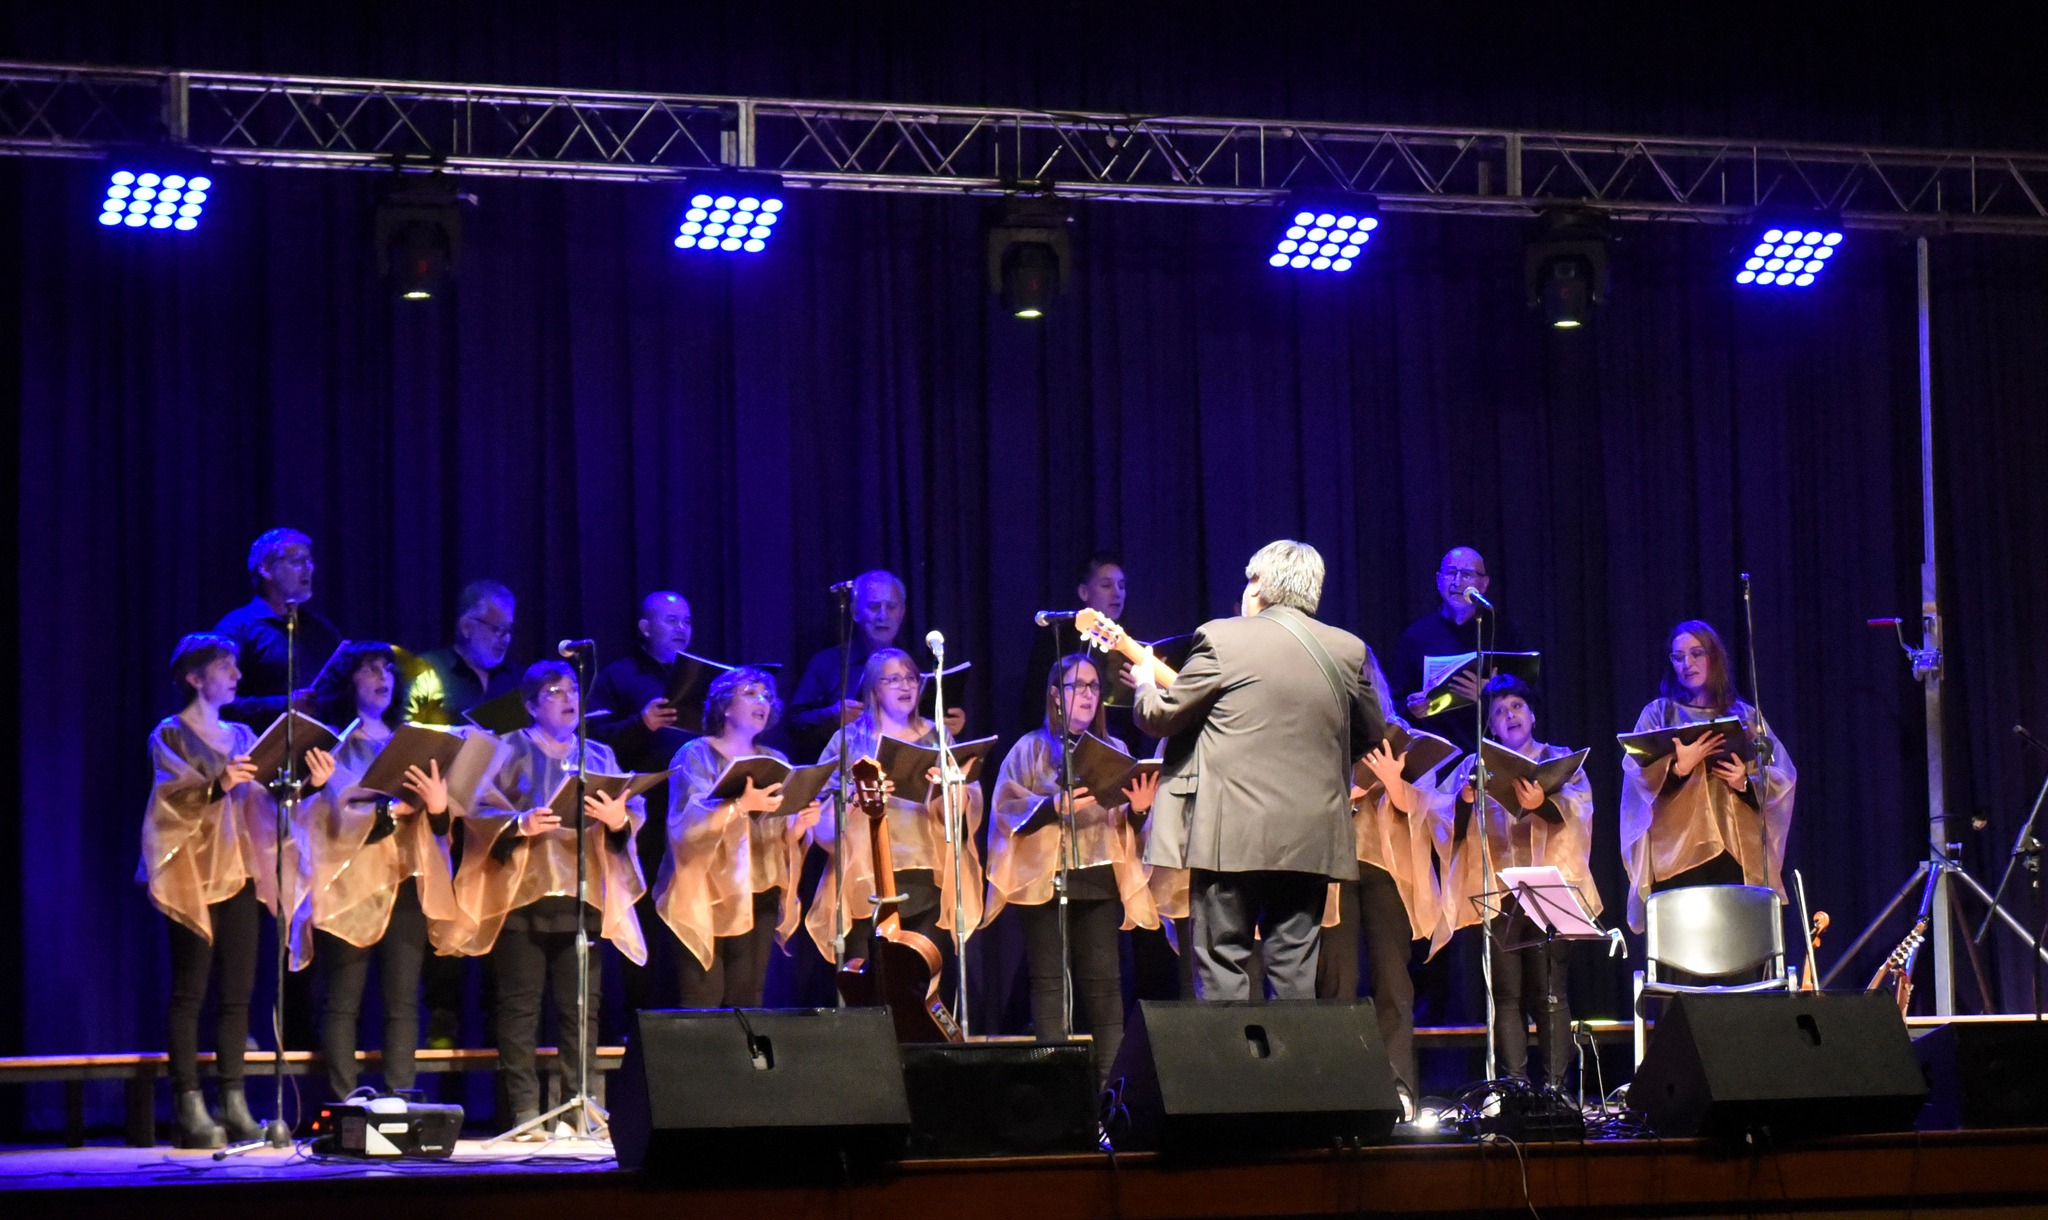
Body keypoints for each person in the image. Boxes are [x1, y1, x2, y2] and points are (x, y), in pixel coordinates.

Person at [1125, 540, 1384, 1001]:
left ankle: (1234, 1075)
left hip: (1232, 836)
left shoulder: (1223, 638)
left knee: (1223, 965)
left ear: (1259, 585)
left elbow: (1161, 717)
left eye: (1249, 580)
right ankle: (1290, 1075)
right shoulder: (1347, 649)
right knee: (1294, 974)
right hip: (1311, 837)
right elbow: (1370, 732)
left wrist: (1146, 682)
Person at [142, 634, 328, 1147]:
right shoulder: (171, 733)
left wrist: (309, 784)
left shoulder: (245, 734)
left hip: (241, 873)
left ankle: (235, 1099)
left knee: (238, 996)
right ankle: (188, 1103)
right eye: (226, 668)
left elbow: (267, 799)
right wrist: (216, 785)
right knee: (191, 990)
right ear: (195, 677)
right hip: (194, 877)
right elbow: (169, 800)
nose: (237, 676)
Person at [445, 661, 648, 1134]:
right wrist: (519, 824)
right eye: (554, 691)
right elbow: (473, 808)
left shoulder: (597, 754)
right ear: (533, 705)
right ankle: (524, 1111)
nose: (567, 697)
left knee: (581, 1008)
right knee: (520, 1009)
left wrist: (620, 820)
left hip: (582, 898)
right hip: (522, 896)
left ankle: (579, 1106)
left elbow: (631, 812)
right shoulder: (509, 749)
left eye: (573, 688)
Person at [299, 642, 463, 1099]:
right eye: (371, 668)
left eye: (388, 669)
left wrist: (435, 806)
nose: (383, 676)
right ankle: (343, 1102)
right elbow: (316, 817)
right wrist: (375, 809)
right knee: (343, 1000)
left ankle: (400, 1098)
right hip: (348, 883)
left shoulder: (406, 741)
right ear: (350, 680)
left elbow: (440, 823)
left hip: (403, 878)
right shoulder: (331, 743)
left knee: (403, 1000)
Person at [985, 654, 1160, 1078]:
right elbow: (1005, 810)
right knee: (1048, 985)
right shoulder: (1029, 748)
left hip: (1099, 876)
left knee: (1104, 989)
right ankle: (1054, 1089)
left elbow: (1129, 824)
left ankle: (1109, 1092)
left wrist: (1139, 810)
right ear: (1055, 695)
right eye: (1077, 685)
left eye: (1094, 687)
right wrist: (1050, 807)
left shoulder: (1114, 749)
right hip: (1044, 879)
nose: (1088, 694)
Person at [1433, 675, 1598, 1086]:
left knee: (1549, 992)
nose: (1510, 716)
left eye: (1517, 707)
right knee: (1506, 994)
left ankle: (1556, 1090)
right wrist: (1465, 800)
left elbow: (1579, 814)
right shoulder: (1477, 766)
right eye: (1500, 712)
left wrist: (1543, 804)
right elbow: (1443, 823)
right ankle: (1515, 1089)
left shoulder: (1558, 759)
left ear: (1533, 713)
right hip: (1498, 890)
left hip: (1549, 888)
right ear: (1490, 726)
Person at [806, 648, 985, 977]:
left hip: (926, 868)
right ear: (874, 688)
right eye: (893, 679)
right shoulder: (848, 739)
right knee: (871, 980)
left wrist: (951, 788)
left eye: (911, 678)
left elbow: (964, 808)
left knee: (922, 979)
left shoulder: (938, 736)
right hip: (865, 873)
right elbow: (819, 803)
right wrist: (855, 797)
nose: (905, 686)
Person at [654, 667, 821, 1007]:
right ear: (724, 706)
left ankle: (741, 1062)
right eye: (750, 693)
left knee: (747, 997)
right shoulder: (695, 754)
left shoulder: (776, 760)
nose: (762, 701)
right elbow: (685, 827)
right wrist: (739, 807)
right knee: (704, 997)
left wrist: (801, 826)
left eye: (766, 696)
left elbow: (780, 830)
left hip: (759, 889)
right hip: (704, 892)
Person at [1620, 620, 1796, 931]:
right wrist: (1676, 769)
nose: (1687, 664)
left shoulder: (1745, 716)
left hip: (1736, 854)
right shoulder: (1658, 714)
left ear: (1713, 657)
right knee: (1684, 957)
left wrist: (1745, 780)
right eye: (1678, 657)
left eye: (1696, 653)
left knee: (1735, 951)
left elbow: (1782, 777)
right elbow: (1635, 778)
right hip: (1676, 855)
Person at [1320, 647, 1439, 1106]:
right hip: (1333, 867)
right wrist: (1347, 794)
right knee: (1337, 982)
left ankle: (1399, 1089)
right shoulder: (1323, 734)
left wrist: (1391, 781)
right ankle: (1340, 1090)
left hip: (1386, 868)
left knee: (1393, 981)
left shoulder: (1398, 734)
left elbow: (1422, 808)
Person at [785, 571, 964, 760]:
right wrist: (830, 716)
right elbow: (795, 723)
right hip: (848, 771)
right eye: (874, 606)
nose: (883, 615)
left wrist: (949, 722)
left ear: (902, 612)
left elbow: (925, 719)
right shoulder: (827, 663)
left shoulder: (916, 664)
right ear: (855, 612)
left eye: (891, 606)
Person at [1392, 547, 1526, 753]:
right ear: (1438, 580)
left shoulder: (1505, 631)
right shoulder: (1416, 636)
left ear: (1484, 583)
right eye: (1450, 573)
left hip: (1493, 751)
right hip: (1435, 757)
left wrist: (1489, 694)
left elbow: (1529, 696)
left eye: (1467, 574)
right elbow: (1395, 705)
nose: (1457, 581)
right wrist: (1411, 708)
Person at [213, 527, 343, 729]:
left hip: (321, 752)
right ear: (265, 568)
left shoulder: (322, 631)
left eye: (309, 560)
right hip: (257, 751)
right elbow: (216, 702)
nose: (308, 568)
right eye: (296, 561)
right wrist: (284, 705)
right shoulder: (237, 629)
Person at [1017, 552, 1130, 737]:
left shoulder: (1128, 643)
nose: (1117, 592)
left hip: (1113, 743)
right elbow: (1032, 706)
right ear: (1084, 592)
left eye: (1122, 586)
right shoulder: (1057, 637)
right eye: (1106, 585)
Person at [587, 591, 697, 772]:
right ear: (646, 628)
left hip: (695, 791)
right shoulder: (616, 676)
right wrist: (641, 724)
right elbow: (592, 742)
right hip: (640, 793)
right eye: (671, 620)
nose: (681, 628)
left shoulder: (698, 676)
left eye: (687, 622)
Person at [405, 580, 521, 724]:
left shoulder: (515, 676)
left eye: (509, 629)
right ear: (466, 627)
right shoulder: (427, 671)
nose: (506, 639)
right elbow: (405, 734)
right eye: (497, 629)